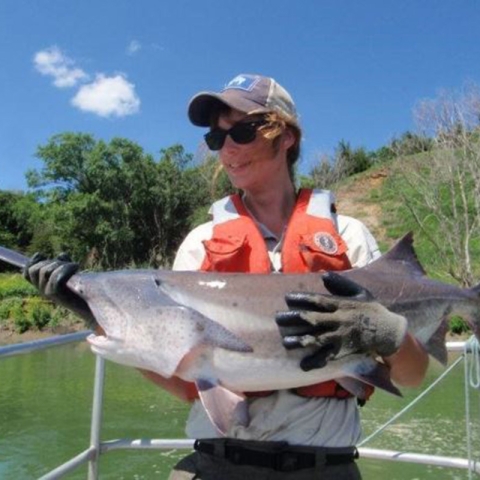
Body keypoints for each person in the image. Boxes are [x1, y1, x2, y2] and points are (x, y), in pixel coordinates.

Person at [24, 73, 429, 480]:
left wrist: (386, 332)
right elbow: (186, 385)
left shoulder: (349, 237)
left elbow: (412, 375)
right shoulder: (201, 244)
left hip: (325, 466)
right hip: (216, 464)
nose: (228, 149)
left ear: (285, 136)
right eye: (217, 139)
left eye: (243, 131)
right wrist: (92, 310)